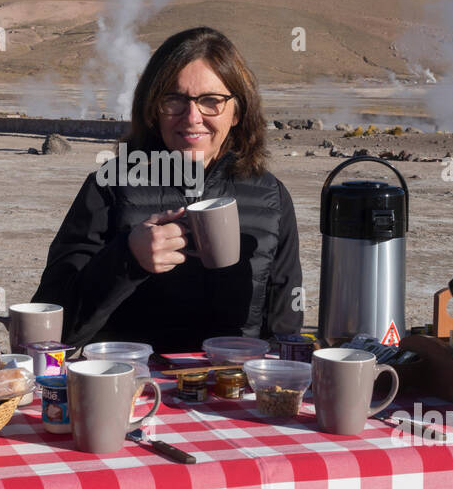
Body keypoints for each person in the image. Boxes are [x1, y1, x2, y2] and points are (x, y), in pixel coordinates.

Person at [32, 26, 303, 352]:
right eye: (173, 99)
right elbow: (48, 332)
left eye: (211, 101)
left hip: (231, 394)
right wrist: (127, 259)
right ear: (152, 108)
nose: (192, 117)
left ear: (237, 112)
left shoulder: (270, 197)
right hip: (134, 393)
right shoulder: (111, 187)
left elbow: (285, 331)